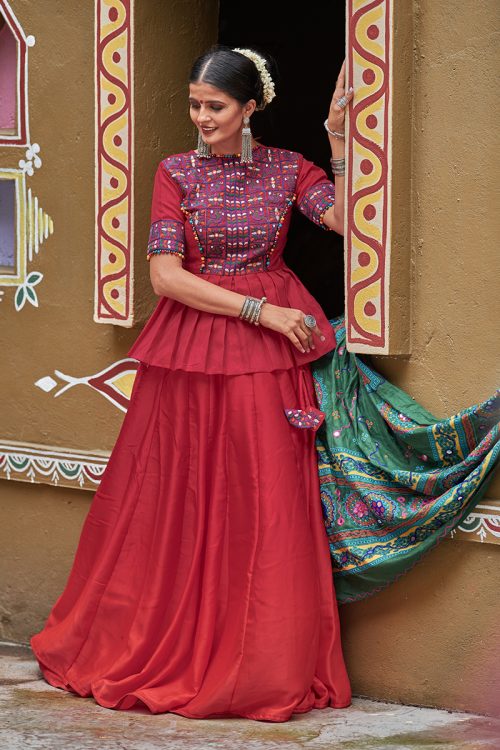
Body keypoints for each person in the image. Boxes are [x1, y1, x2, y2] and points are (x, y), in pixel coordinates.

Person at [30, 44, 355, 722]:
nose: (201, 118)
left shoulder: (290, 170)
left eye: (215, 106)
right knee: (178, 496)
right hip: (198, 345)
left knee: (263, 497)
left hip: (265, 364)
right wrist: (260, 311)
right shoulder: (176, 171)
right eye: (194, 104)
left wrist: (338, 137)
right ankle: (170, 641)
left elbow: (347, 220)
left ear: (250, 109)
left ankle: (257, 659)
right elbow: (166, 277)